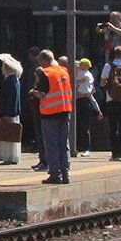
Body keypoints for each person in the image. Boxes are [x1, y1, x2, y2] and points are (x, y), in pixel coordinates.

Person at [36, 49, 73, 184]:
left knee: (52, 145)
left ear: (43, 60)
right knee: (64, 144)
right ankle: (66, 174)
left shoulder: (46, 73)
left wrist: (34, 92)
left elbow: (43, 93)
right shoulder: (64, 71)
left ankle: (55, 174)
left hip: (50, 113)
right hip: (65, 111)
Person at [0, 53, 23, 165]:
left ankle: (10, 156)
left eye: (3, 66)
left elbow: (11, 98)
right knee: (9, 135)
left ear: (8, 68)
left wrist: (6, 114)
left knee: (9, 134)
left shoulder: (10, 81)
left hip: (8, 112)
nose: (1, 68)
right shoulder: (12, 80)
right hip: (9, 111)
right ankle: (9, 156)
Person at [74, 58, 102, 156]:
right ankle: (83, 147)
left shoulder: (83, 74)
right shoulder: (90, 75)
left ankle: (82, 147)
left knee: (80, 125)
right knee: (83, 125)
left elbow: (75, 84)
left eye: (80, 64)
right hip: (85, 100)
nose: (78, 66)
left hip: (81, 101)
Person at [27, 66, 48, 172]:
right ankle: (42, 160)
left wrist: (34, 93)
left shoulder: (43, 84)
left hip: (42, 113)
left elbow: (42, 95)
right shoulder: (37, 84)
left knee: (42, 138)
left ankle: (45, 161)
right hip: (36, 113)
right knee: (39, 137)